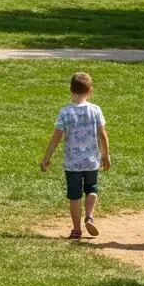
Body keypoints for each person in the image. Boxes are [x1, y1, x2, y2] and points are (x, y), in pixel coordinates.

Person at [40, 71, 110, 240]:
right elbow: (102, 134)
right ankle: (90, 215)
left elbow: (56, 138)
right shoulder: (96, 110)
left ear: (70, 90)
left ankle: (77, 230)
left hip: (72, 163)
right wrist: (105, 154)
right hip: (91, 160)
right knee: (92, 190)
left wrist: (46, 158)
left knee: (74, 195)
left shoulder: (65, 113)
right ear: (90, 90)